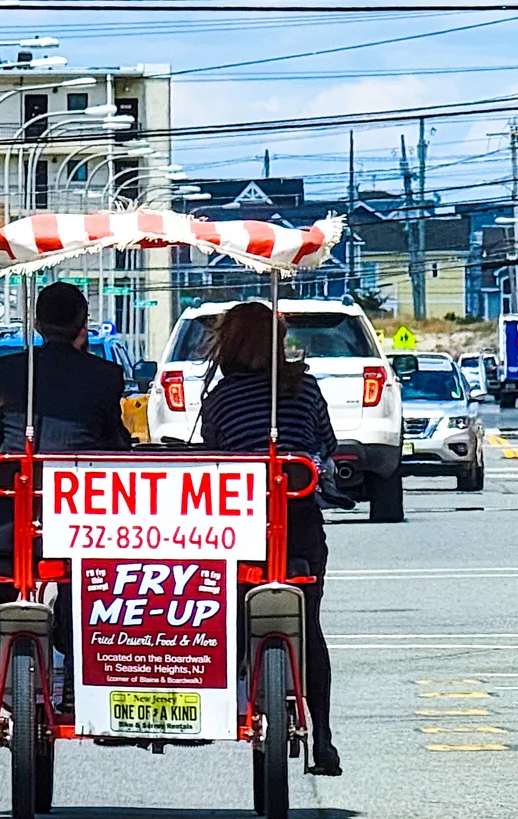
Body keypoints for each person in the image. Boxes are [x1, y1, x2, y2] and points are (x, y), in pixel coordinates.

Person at [0, 282, 132, 750]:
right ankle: (101, 694)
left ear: (36, 323)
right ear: (82, 325)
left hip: (10, 509)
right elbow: (114, 443)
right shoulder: (106, 376)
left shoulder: (8, 371)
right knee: (100, 599)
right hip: (87, 514)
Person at [198, 300, 342, 777]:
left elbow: (215, 459)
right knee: (309, 624)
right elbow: (328, 443)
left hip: (240, 531)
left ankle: (233, 693)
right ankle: (323, 738)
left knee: (235, 615)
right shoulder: (306, 390)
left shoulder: (218, 400)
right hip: (299, 521)